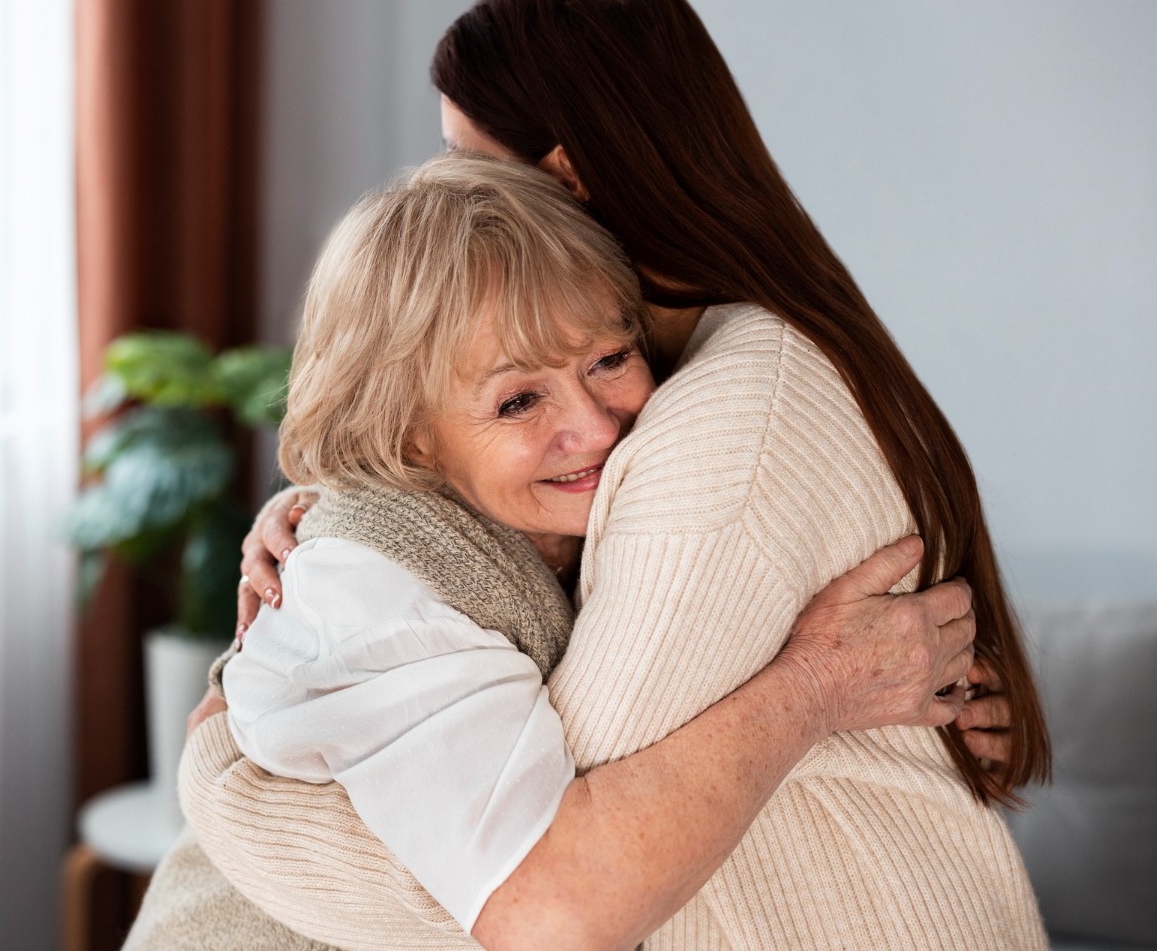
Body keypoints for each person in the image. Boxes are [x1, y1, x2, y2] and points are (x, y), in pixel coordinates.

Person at [188, 0, 1053, 947]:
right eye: (522, 395)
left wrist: (216, 765)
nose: (454, 198)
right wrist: (338, 519)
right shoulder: (749, 357)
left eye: (468, 161)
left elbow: (554, 891)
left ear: (564, 178)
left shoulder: (723, 429)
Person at [127, 152, 978, 951]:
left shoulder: (540, 524)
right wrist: (816, 687)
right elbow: (552, 917)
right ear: (410, 439)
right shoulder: (371, 594)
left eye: (609, 358)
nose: (597, 426)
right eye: (518, 400)